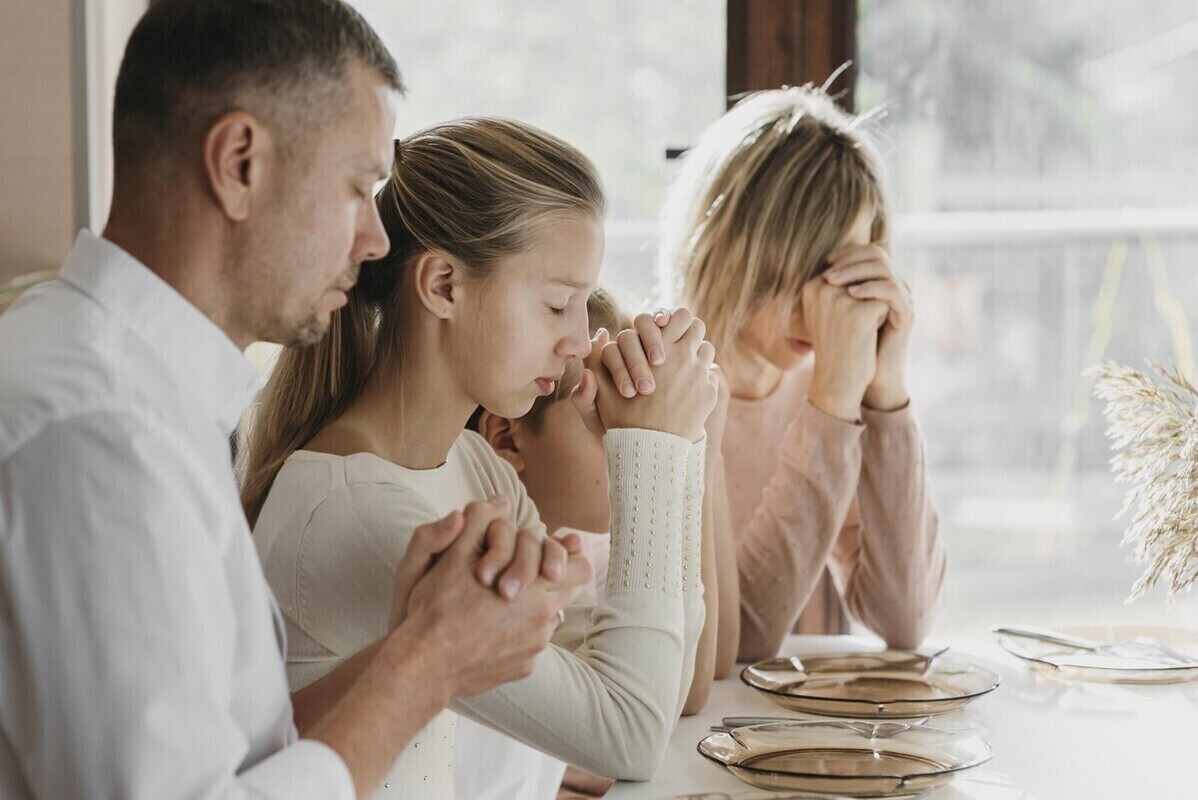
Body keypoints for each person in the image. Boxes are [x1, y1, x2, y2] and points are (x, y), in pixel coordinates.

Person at [0, 3, 585, 798]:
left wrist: (412, 644)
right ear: (241, 162)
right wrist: (427, 663)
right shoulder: (102, 436)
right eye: (357, 188)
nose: (377, 240)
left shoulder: (141, 394)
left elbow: (235, 755)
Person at [239, 116, 719, 798]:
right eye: (558, 305)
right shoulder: (355, 511)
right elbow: (626, 736)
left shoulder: (474, 466)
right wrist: (653, 449)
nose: (580, 342)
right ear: (442, 286)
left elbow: (665, 688)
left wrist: (683, 441)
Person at [656, 85, 946, 661]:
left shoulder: (824, 386)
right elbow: (735, 641)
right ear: (732, 243)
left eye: (846, 269)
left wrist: (885, 392)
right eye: (807, 266)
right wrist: (834, 405)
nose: (824, 303)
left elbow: (904, 617)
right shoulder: (651, 385)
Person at [472, 288, 738, 799]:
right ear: (506, 440)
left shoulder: (582, 550)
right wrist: (664, 446)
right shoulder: (502, 573)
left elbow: (688, 682)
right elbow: (639, 731)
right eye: (605, 416)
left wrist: (690, 442)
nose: (623, 432)